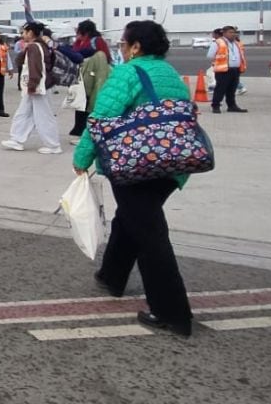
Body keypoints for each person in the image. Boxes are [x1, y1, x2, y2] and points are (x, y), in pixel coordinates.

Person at [72, 20, 194, 336]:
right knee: (132, 217)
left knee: (150, 233)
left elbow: (100, 119)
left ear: (136, 46)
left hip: (136, 164)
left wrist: (81, 158)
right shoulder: (169, 73)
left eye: (124, 44)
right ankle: (112, 276)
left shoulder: (127, 73)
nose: (121, 49)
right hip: (172, 163)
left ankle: (172, 313)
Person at [1, 22, 62, 154]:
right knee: (24, 112)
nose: (22, 34)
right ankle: (17, 139)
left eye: (24, 32)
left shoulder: (35, 47)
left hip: (37, 86)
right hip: (36, 85)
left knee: (43, 116)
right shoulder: (39, 46)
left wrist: (33, 85)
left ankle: (53, 145)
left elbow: (36, 67)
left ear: (30, 33)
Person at [68, 23, 112, 141]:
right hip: (82, 74)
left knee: (88, 103)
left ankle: (86, 129)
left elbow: (104, 58)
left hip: (94, 76)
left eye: (79, 32)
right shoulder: (79, 42)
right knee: (81, 102)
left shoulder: (97, 41)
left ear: (85, 32)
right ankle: (78, 128)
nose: (77, 35)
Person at [206, 25, 247, 113]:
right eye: (230, 32)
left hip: (235, 69)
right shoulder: (218, 43)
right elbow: (210, 56)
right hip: (223, 70)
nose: (233, 34)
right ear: (224, 33)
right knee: (220, 89)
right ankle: (216, 106)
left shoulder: (237, 43)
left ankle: (232, 106)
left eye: (234, 33)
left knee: (232, 89)